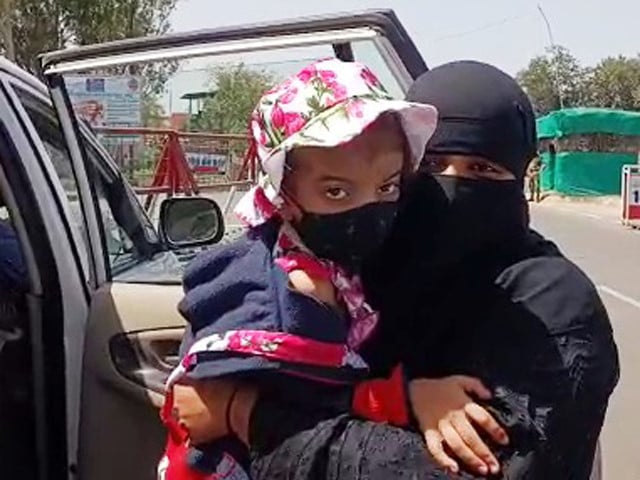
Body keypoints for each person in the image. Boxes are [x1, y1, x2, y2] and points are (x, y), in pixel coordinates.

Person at [172, 61, 619, 480]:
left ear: (521, 178)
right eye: (428, 165)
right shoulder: (358, 261)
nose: (448, 185)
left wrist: (244, 414)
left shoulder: (553, 305)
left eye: (481, 169)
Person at [158, 58, 442, 479]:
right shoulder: (286, 296)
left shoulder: (328, 267)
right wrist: (405, 398)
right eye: (335, 190)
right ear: (283, 194)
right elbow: (301, 424)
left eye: (387, 186)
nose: (368, 206)